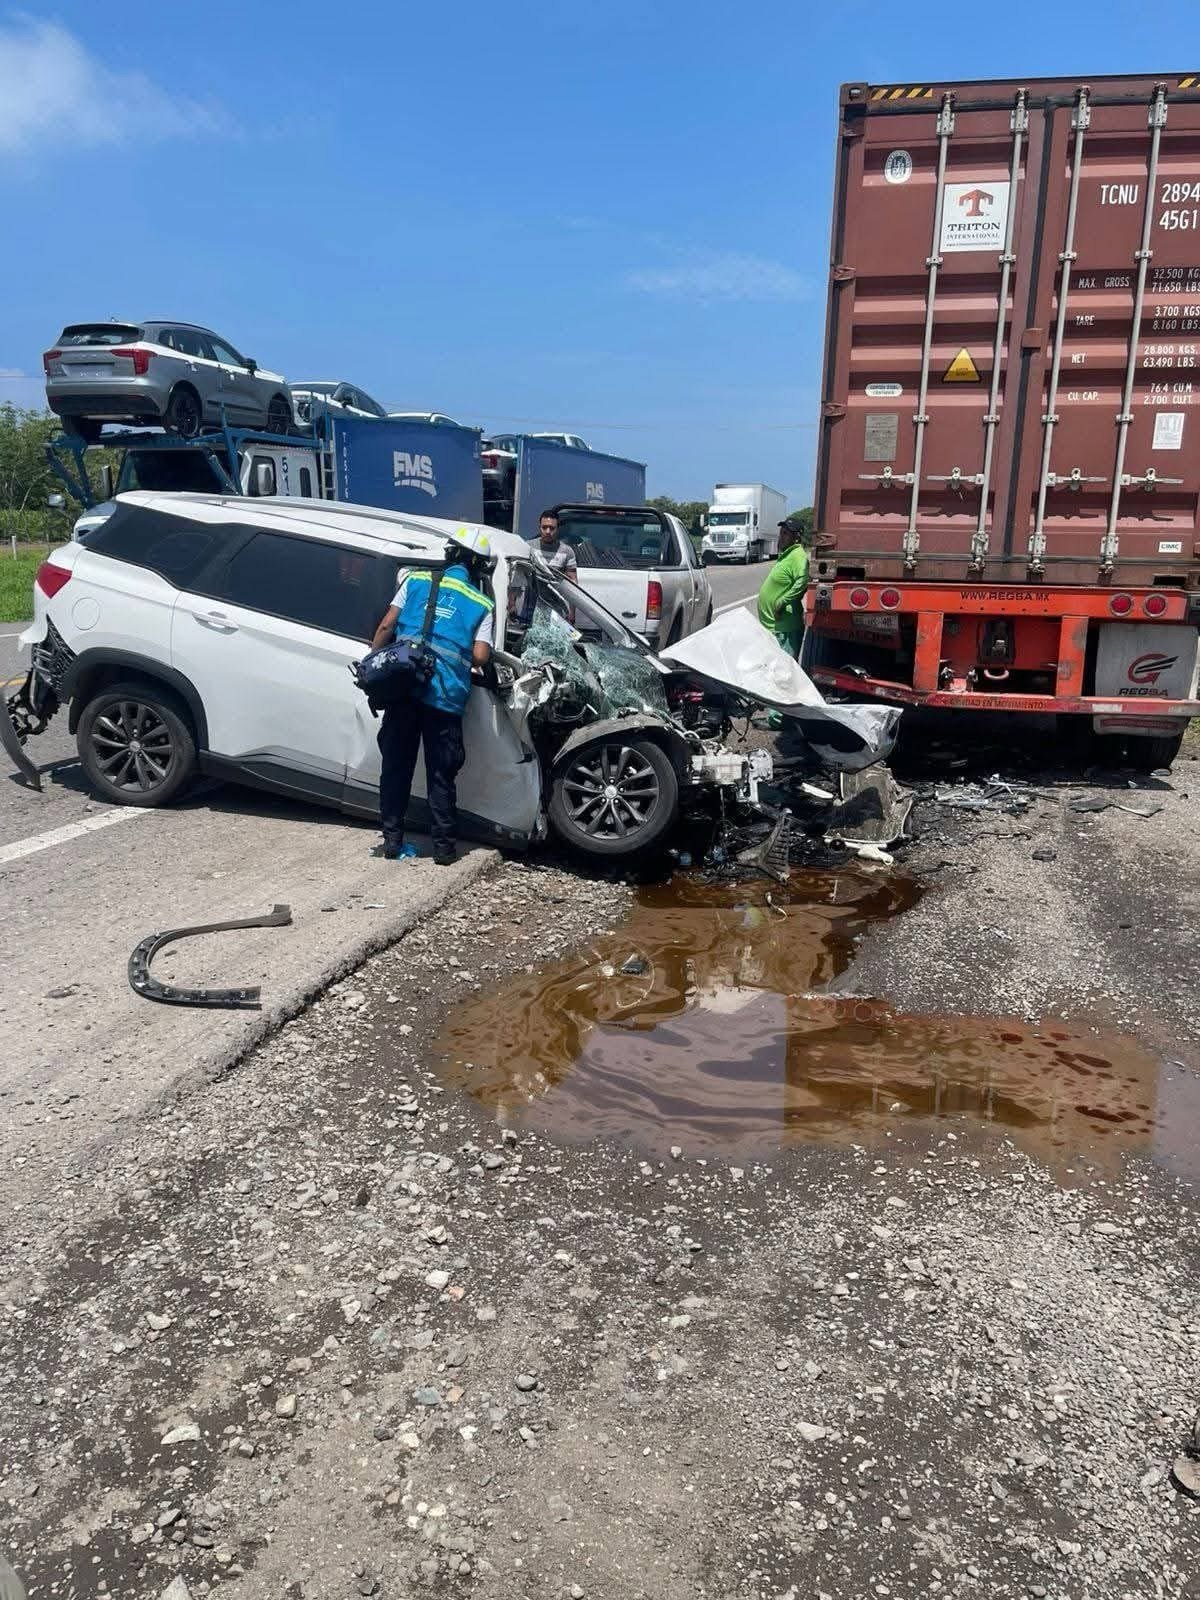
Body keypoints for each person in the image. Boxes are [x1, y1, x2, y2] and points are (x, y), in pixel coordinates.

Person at [369, 528, 496, 866]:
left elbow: (386, 626)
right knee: (441, 774)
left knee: (396, 766)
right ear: (478, 567)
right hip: (444, 697)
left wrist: (372, 663)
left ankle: (393, 842)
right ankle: (443, 850)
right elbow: (481, 656)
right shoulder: (482, 603)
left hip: (404, 688)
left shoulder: (414, 579)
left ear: (449, 554)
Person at [757, 521, 810, 659]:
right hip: (776, 629)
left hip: (785, 630)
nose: (781, 537)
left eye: (785, 534)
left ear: (796, 537)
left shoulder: (798, 555)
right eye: (781, 533)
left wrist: (783, 601)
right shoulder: (788, 555)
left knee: (783, 674)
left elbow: (804, 579)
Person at [528, 508, 578, 581]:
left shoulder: (567, 551)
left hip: (556, 591)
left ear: (558, 529)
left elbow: (572, 580)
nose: (548, 531)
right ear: (539, 527)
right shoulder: (528, 547)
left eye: (552, 528)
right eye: (544, 527)